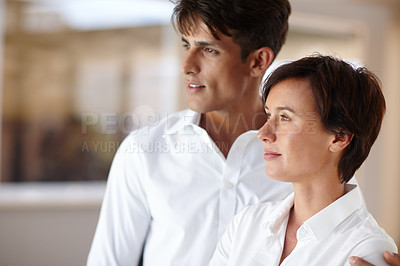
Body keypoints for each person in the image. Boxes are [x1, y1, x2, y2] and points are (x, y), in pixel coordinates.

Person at [87, 0, 293, 265]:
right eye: (187, 45)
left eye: (208, 49)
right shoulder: (143, 151)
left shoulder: (303, 155)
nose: (186, 66)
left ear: (257, 61)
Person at [209, 55, 398, 266]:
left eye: (285, 118)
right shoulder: (246, 224)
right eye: (269, 115)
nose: (263, 133)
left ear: (339, 137)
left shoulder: (367, 250)